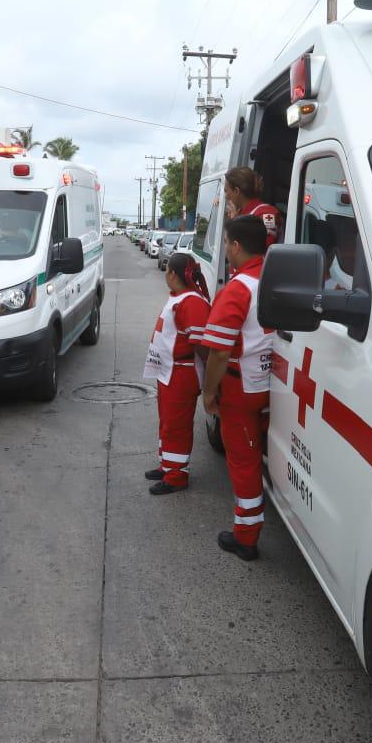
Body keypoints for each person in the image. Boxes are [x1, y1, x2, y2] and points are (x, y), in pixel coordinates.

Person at [196, 216, 275, 561]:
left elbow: (219, 350)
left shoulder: (238, 288)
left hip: (240, 388)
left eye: (227, 243)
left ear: (237, 246)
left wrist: (208, 392)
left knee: (243, 462)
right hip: (274, 384)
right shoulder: (273, 280)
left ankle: (246, 536)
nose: (225, 249)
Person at [142, 252, 212, 495]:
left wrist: (213, 382)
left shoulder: (191, 302)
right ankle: (168, 465)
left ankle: (176, 476)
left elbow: (203, 346)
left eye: (167, 270)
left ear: (173, 273)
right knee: (168, 422)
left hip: (182, 374)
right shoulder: (179, 297)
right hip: (169, 371)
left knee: (177, 425)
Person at [223, 167, 283, 249]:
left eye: (226, 191)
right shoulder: (239, 213)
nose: (225, 197)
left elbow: (262, 248)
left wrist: (235, 225)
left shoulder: (266, 213)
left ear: (236, 191)